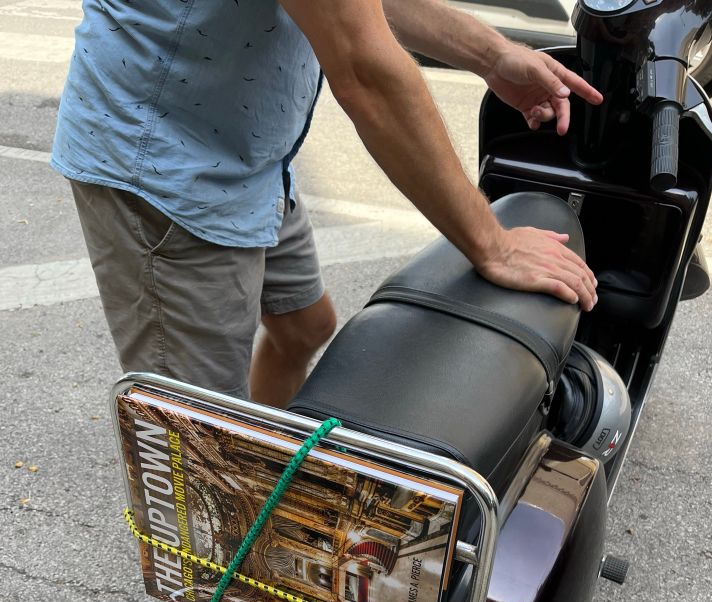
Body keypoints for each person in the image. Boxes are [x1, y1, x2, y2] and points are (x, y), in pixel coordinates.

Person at [52, 0, 602, 407]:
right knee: (194, 441)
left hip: (249, 154)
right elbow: (366, 71)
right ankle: (219, 539)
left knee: (304, 327)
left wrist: (496, 55)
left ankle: (258, 474)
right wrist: (493, 245)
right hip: (167, 167)